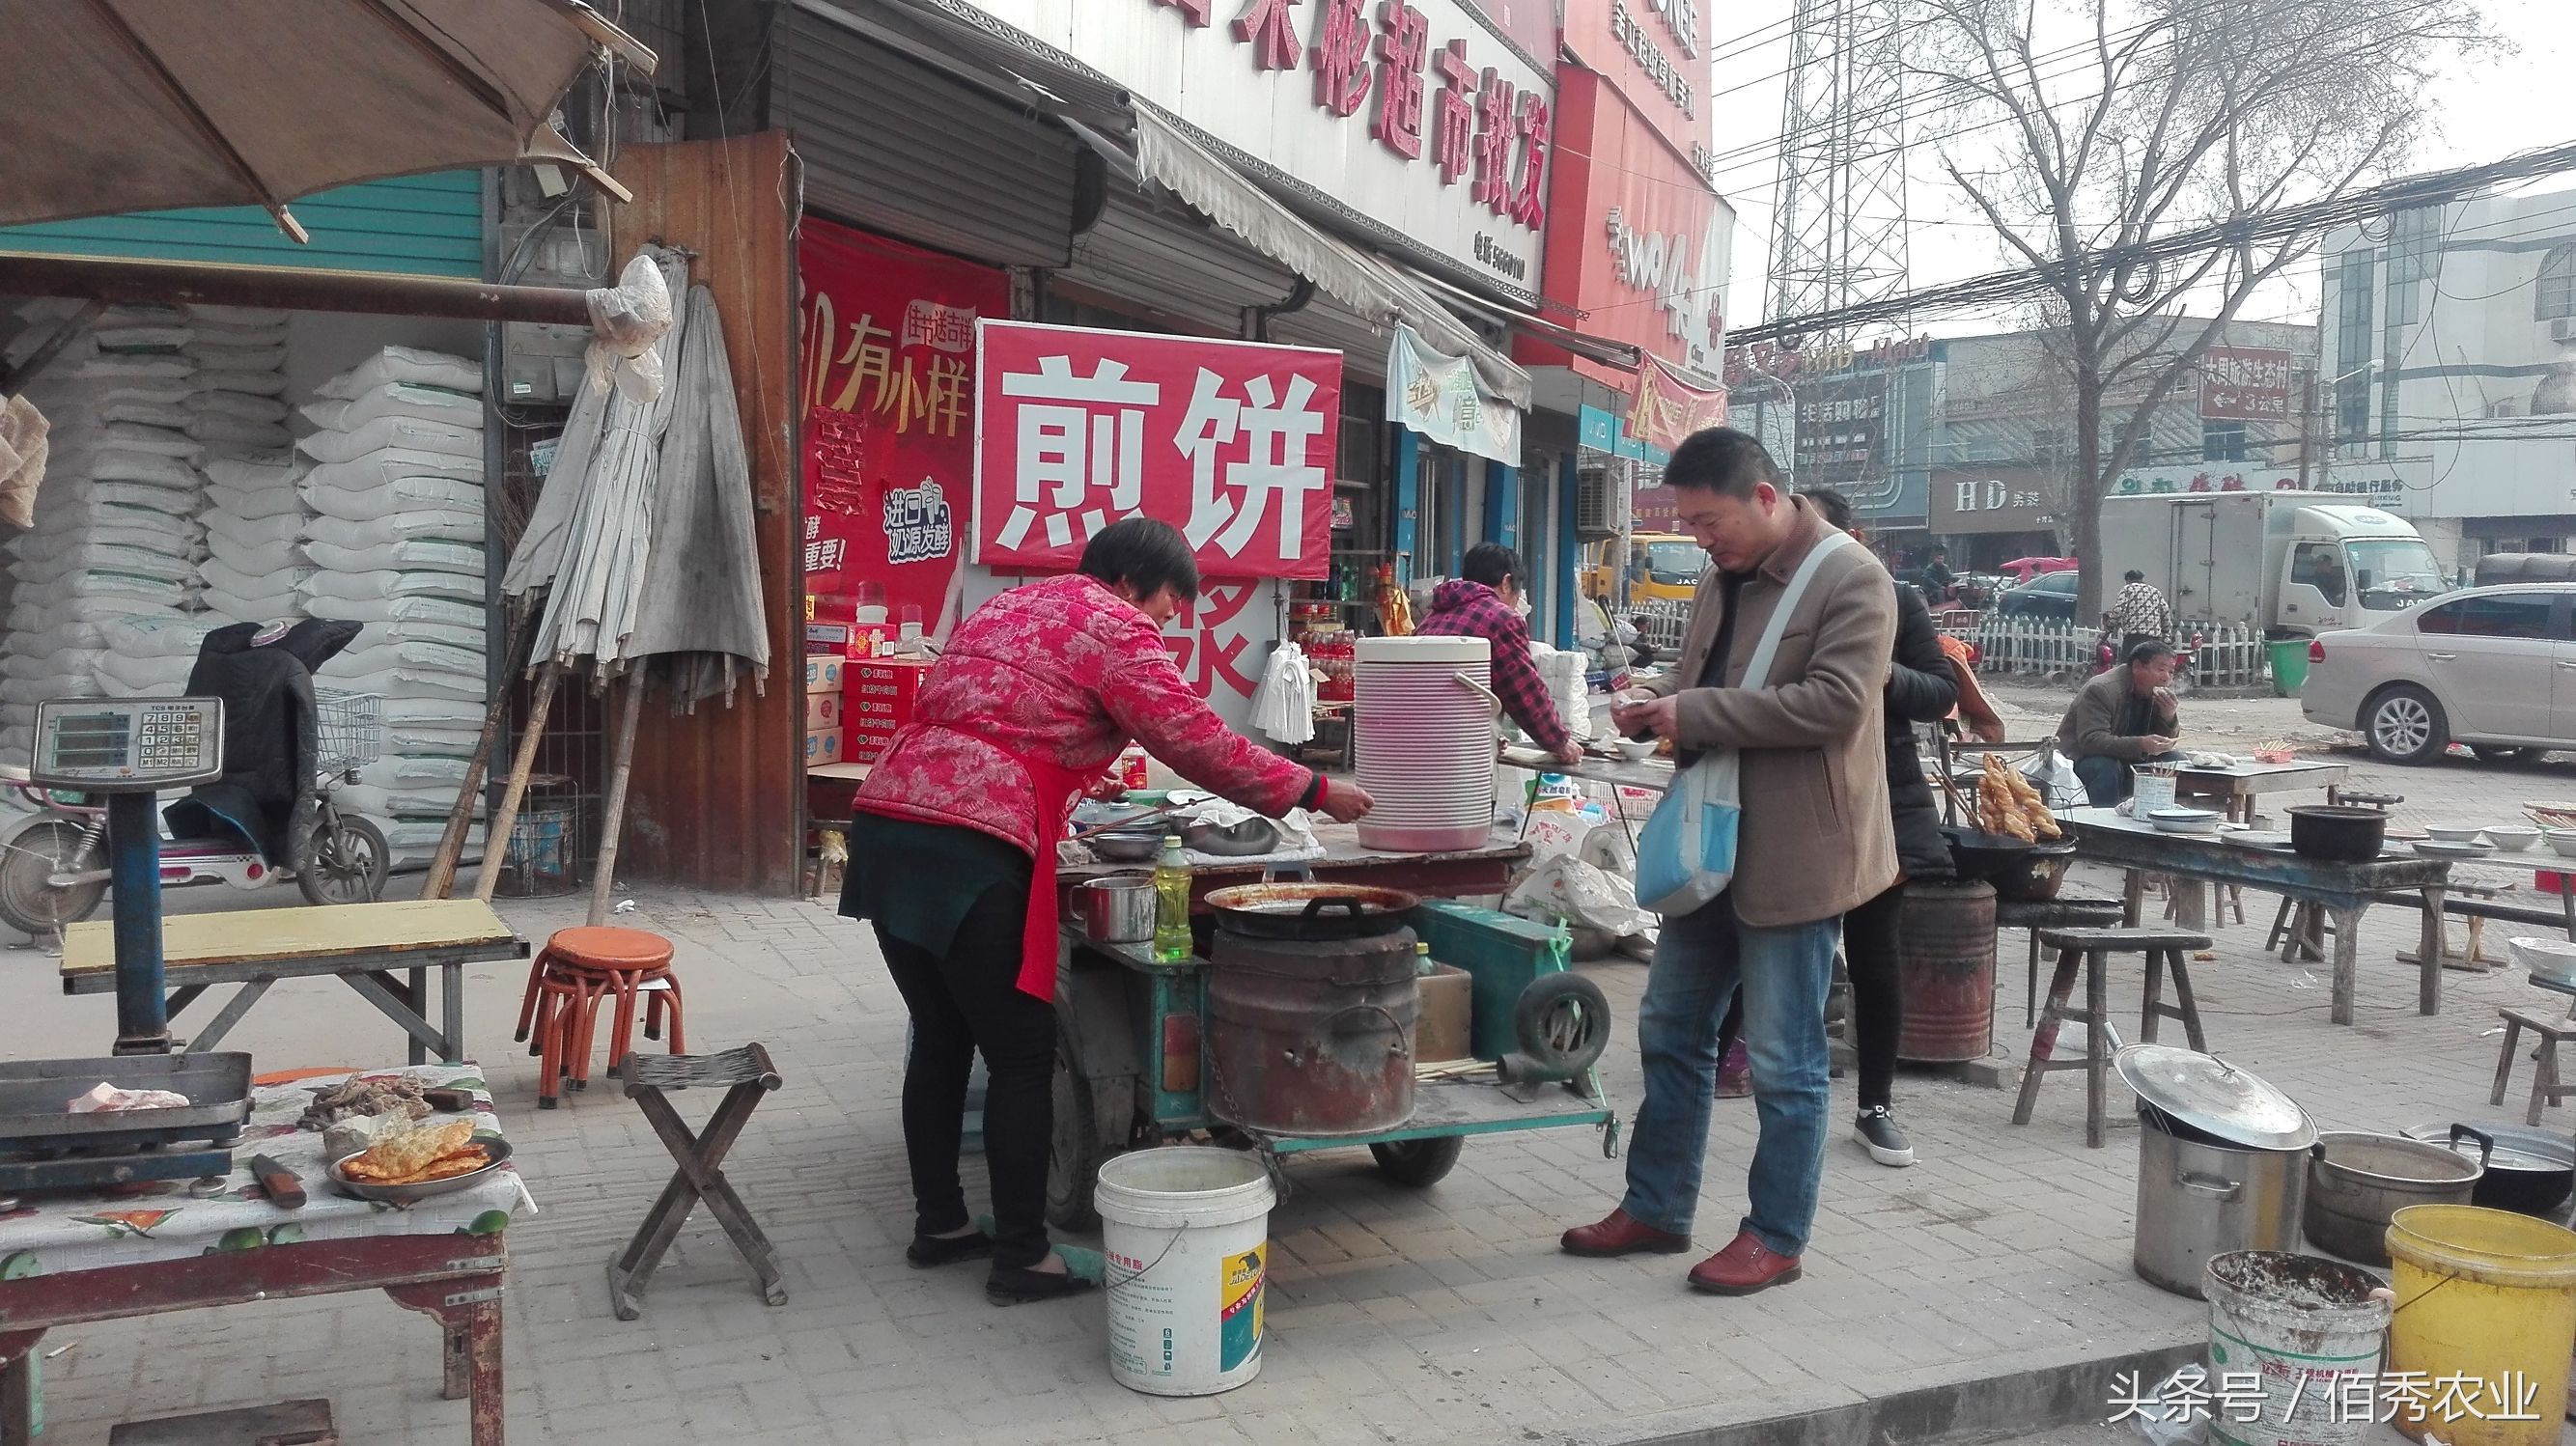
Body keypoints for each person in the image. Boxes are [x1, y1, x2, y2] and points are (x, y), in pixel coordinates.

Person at [842, 517, 1375, 1306]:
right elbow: (1195, 741)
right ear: (1132, 584)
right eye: (1167, 606)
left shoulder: (1009, 608)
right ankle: (1023, 1257)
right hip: (971, 838)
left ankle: (942, 1224)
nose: (1164, 624)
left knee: (946, 1037)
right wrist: (1315, 790)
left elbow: (1002, 714)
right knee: (1022, 1055)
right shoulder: (1114, 623)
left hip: (889, 822)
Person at [1558, 428, 1897, 1297]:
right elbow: (1701, 677)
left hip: (1796, 851)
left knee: (1786, 1061)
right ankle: (1658, 1206)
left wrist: (1693, 708)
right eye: (1690, 523)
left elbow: (1835, 704)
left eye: (1710, 521)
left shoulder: (1852, 577)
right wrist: (1655, 707)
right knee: (1671, 1031)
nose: (1702, 538)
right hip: (1710, 847)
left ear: (1764, 496)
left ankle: (1776, 1236)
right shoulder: (1721, 577)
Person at [1701, 488, 1954, 1168]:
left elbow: (1939, 691)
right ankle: (1713, 1058)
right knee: (1758, 945)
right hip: (1782, 806)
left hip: (1880, 799)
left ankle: (1876, 1107)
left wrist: (1871, 665)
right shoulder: (1757, 591)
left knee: (1875, 958)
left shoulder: (1890, 597)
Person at [1418, 542, 1583, 766]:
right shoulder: (1502, 618)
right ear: (1506, 582)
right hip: (1461, 755)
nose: (1516, 604)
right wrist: (1559, 742)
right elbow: (1524, 692)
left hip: (1417, 741)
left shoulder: (1432, 616)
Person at [2059, 638, 2185, 806]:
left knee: (2177, 761)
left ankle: (2176, 817)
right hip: (2081, 760)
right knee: (2105, 766)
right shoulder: (2101, 689)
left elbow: (2161, 742)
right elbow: (2091, 741)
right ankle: (2106, 825)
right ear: (2137, 667)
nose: (2166, 678)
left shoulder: (2154, 694)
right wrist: (2141, 744)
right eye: (2161, 669)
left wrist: (2168, 716)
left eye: (2171, 672)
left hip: (2129, 759)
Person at [2105, 569, 2176, 654]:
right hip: (2154, 639)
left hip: (2134, 638)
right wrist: (2166, 632)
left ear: (2128, 579)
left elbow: (2118, 610)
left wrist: (2109, 627)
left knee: (2129, 665)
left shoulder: (2127, 589)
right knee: (2151, 665)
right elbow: (2165, 611)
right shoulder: (2155, 591)